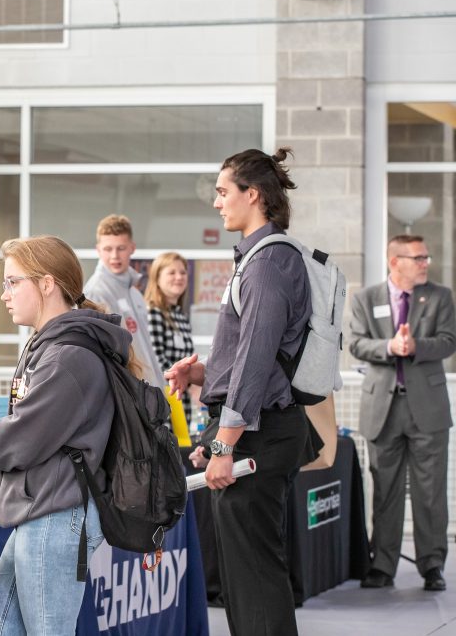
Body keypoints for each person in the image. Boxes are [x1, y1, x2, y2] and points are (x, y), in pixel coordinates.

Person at [166, 147, 311, 636]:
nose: (216, 202)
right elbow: (252, 358)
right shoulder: (257, 259)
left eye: (223, 192)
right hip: (256, 427)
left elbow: (254, 364)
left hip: (258, 434)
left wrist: (224, 445)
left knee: (254, 577)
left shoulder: (268, 264)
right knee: (245, 577)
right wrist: (203, 373)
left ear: (254, 196)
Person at [0, 235, 131, 635]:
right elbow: (17, 448)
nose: (4, 295)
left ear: (47, 284)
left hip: (54, 519)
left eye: (13, 282)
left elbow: (15, 442)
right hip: (35, 514)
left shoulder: (69, 358)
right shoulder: (44, 349)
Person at [350, 234, 456, 591]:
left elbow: (449, 340)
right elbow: (356, 343)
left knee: (430, 491)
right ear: (395, 262)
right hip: (382, 407)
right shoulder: (367, 298)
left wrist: (415, 346)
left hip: (427, 407)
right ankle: (382, 565)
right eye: (419, 257)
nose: (426, 262)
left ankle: (432, 564)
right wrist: (389, 346)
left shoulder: (440, 296)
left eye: (426, 256)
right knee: (385, 490)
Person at [83, 214, 163, 387]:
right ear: (98, 250)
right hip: (130, 394)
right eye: (108, 249)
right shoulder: (96, 292)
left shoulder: (134, 292)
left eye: (121, 248)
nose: (114, 256)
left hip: (149, 391)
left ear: (132, 248)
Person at [145, 252, 196, 422]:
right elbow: (155, 360)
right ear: (157, 278)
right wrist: (187, 378)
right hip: (164, 403)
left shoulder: (180, 315)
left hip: (181, 402)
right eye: (171, 273)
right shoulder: (153, 313)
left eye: (182, 272)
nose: (179, 277)